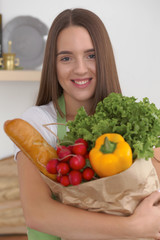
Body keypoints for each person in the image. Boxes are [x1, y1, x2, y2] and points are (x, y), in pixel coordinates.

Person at [15, 8, 160, 240]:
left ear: (104, 58)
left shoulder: (133, 121)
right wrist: (133, 227)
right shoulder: (38, 123)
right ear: (53, 65)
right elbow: (38, 213)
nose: (80, 68)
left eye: (91, 55)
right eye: (66, 58)